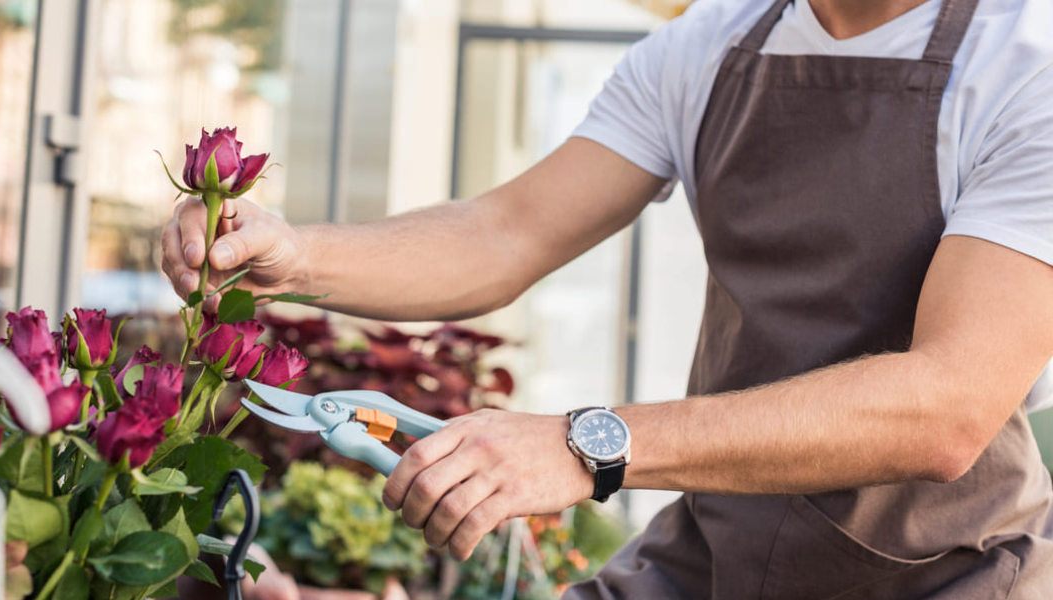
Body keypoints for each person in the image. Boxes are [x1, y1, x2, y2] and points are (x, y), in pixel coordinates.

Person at [162, 0, 1053, 596]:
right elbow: (507, 233)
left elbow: (945, 406)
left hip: (946, 574)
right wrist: (291, 252)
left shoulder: (1027, 64)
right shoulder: (713, 42)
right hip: (718, 557)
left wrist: (585, 446)